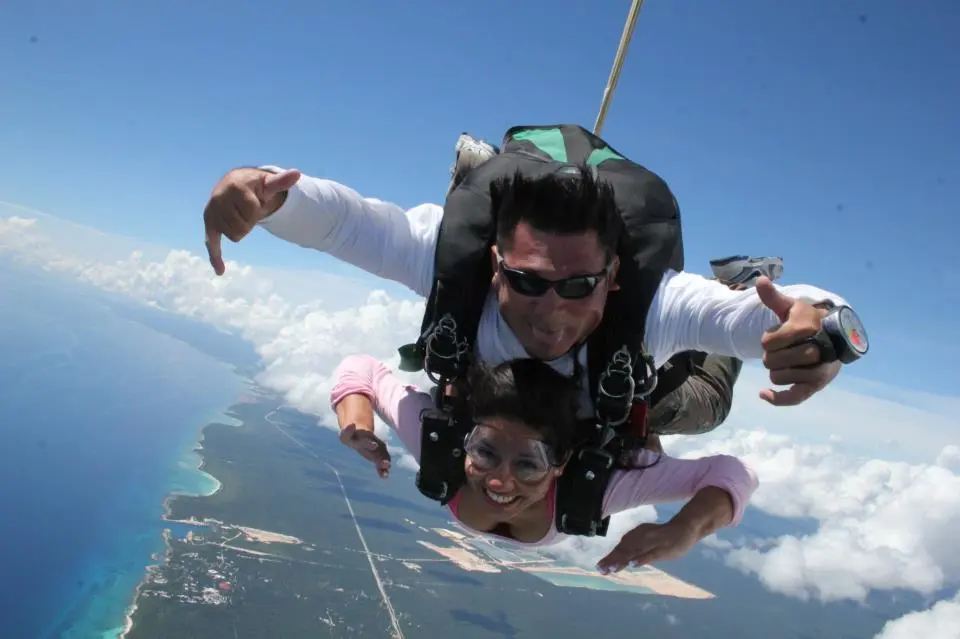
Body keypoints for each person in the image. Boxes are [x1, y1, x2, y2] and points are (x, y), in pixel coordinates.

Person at [330, 352, 759, 573]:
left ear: (562, 463)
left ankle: (735, 287)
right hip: (561, 390)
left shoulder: (602, 483)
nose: (500, 481)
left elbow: (735, 473)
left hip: (603, 397)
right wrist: (356, 421)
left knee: (708, 404)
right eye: (485, 451)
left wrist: (686, 528)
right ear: (467, 440)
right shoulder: (445, 448)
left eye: (528, 464)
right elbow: (363, 369)